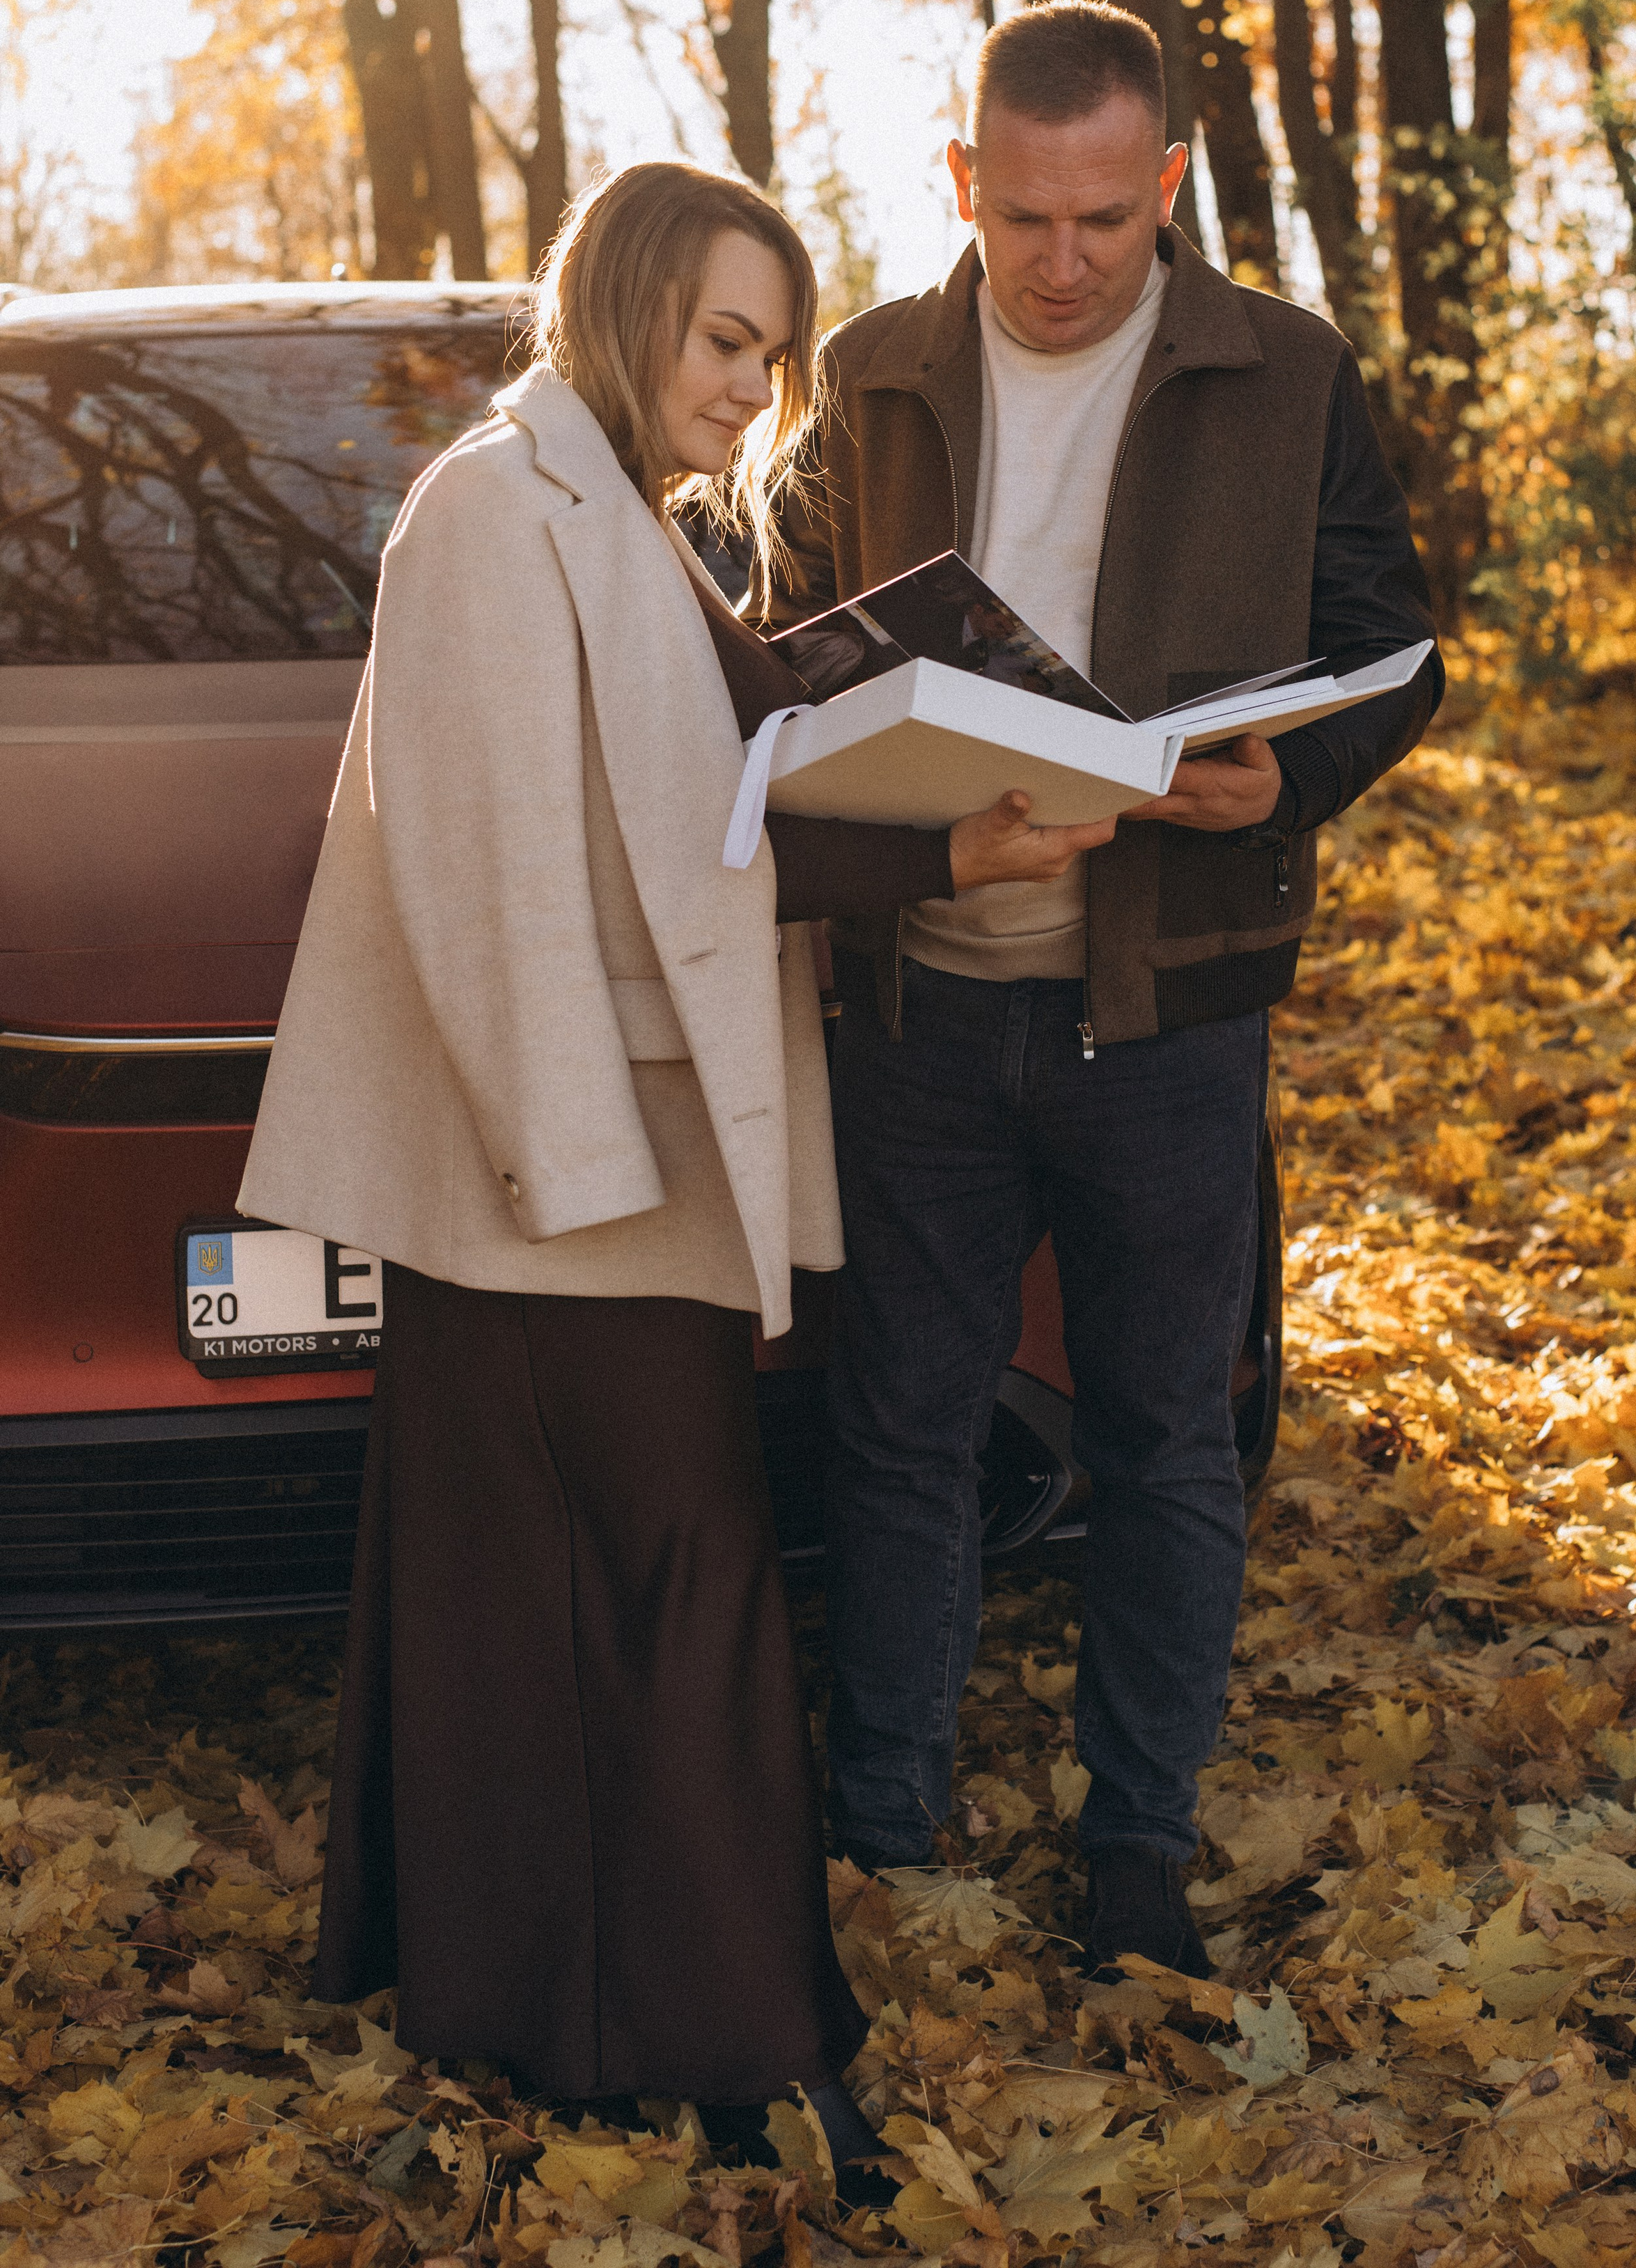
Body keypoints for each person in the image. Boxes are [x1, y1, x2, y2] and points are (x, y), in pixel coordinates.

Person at [239, 163, 1111, 2164]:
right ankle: (746, 2029)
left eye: (773, 354)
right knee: (681, 1580)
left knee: (549, 1588)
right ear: (625, 306)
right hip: (563, 1178)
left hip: (616, 1162)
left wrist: (951, 838)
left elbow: (721, 817)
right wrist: (566, 1171)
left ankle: (537, 1998)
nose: (753, 389)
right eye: (728, 340)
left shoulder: (619, 519)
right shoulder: (491, 510)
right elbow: (478, 878)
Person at [759, 0, 1443, 1979]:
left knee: (1168, 1435)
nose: (1061, 266)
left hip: (1171, 1007)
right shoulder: (869, 373)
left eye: (1105, 222)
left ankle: (1137, 1845)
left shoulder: (1285, 370)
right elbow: (785, 660)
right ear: (964, 182)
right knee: (899, 1430)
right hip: (920, 1001)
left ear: (1164, 187)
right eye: (1023, 216)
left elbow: (1391, 646)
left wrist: (1279, 775)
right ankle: (883, 1829)